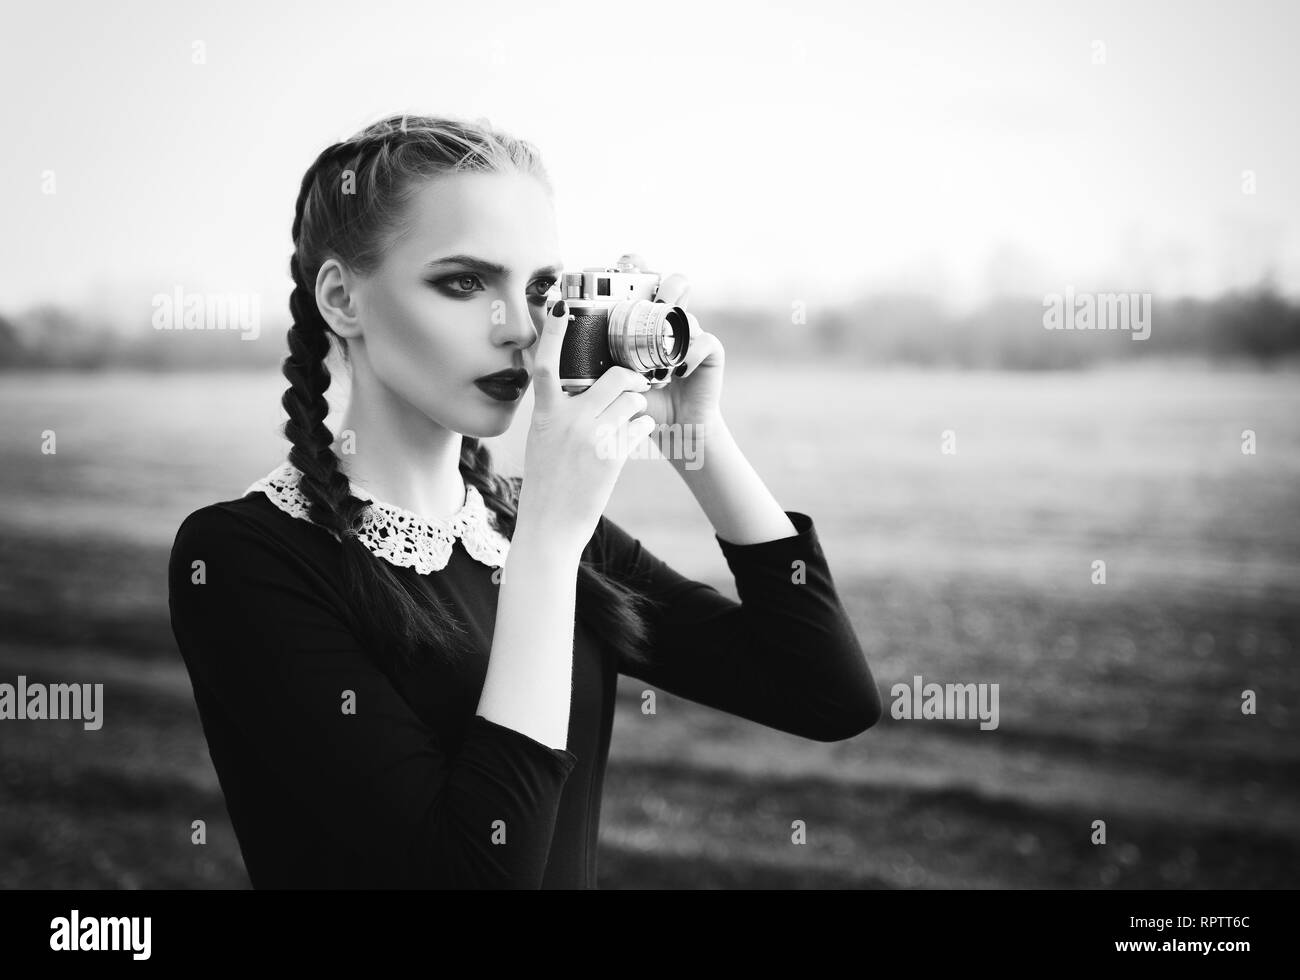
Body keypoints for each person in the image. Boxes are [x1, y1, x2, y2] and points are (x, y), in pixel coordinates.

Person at [167, 113, 882, 889]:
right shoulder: (243, 558)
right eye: (464, 283)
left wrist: (695, 437)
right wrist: (545, 543)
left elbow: (827, 694)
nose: (519, 329)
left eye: (541, 287)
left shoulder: (530, 523)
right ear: (342, 299)